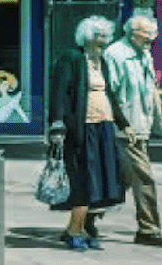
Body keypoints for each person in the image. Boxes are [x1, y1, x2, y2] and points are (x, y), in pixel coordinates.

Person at [46, 15, 126, 251]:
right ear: (86, 36)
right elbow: (59, 92)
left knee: (99, 181)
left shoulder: (104, 62)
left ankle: (80, 227)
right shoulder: (71, 58)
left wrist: (124, 124)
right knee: (82, 178)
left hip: (104, 126)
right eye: (97, 35)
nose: (102, 40)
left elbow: (109, 95)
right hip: (82, 128)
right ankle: (74, 229)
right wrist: (57, 124)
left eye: (105, 35)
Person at [103, 14, 162, 248]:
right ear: (132, 32)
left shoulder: (145, 54)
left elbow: (149, 91)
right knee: (144, 178)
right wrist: (123, 125)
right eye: (147, 33)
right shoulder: (115, 54)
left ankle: (85, 216)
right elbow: (108, 94)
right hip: (125, 129)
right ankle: (149, 229)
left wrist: (157, 124)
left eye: (154, 33)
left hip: (140, 127)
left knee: (120, 178)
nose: (153, 37)